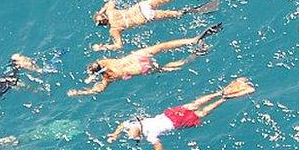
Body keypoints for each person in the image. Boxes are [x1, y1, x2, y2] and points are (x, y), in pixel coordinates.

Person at [106, 77, 256, 150]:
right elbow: (121, 125)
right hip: (170, 115)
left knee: (200, 112)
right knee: (194, 105)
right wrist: (115, 134)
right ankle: (222, 93)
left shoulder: (149, 135)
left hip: (175, 121)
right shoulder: (133, 124)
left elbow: (160, 149)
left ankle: (224, 97)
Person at [68, 24, 223, 96]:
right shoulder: (106, 62)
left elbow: (99, 89)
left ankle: (195, 54)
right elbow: (100, 65)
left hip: (141, 68)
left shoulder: (109, 77)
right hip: (138, 56)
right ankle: (193, 39)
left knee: (169, 67)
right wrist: (101, 47)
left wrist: (80, 92)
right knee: (164, 46)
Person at [92, 0, 231, 51]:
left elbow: (118, 46)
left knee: (176, 14)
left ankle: (191, 10)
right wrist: (101, 9)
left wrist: (102, 47)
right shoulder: (110, 12)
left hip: (146, 16)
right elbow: (111, 1)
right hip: (142, 6)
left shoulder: (114, 30)